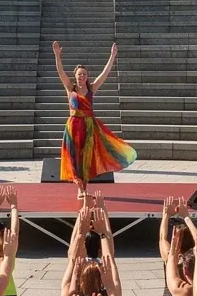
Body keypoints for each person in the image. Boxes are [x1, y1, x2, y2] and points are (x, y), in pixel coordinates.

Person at [53, 40, 136, 197]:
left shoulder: (92, 88)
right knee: (74, 157)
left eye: (84, 74)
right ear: (75, 76)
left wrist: (112, 56)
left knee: (87, 157)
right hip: (73, 127)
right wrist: (57, 55)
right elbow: (60, 72)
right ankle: (79, 188)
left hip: (89, 127)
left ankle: (84, 187)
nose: (82, 76)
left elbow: (105, 73)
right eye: (79, 74)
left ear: (87, 76)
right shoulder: (70, 88)